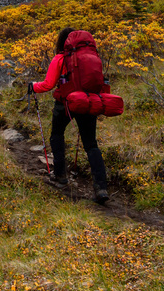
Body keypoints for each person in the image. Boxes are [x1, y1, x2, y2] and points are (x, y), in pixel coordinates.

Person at [30, 27, 110, 205]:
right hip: (88, 102)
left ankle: (60, 177)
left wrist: (32, 86)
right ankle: (101, 187)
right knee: (91, 145)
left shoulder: (60, 58)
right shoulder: (91, 57)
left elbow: (48, 85)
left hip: (65, 104)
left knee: (57, 135)